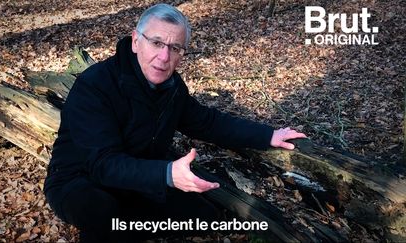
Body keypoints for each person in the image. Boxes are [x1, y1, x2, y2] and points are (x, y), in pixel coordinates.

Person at [44, 3, 306, 242]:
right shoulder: (96, 85)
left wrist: (267, 135)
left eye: (175, 48)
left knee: (204, 218)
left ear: (182, 53)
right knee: (103, 214)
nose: (164, 57)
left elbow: (207, 122)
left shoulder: (172, 88)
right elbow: (102, 165)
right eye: (156, 43)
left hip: (138, 178)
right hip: (80, 180)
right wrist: (167, 174)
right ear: (136, 41)